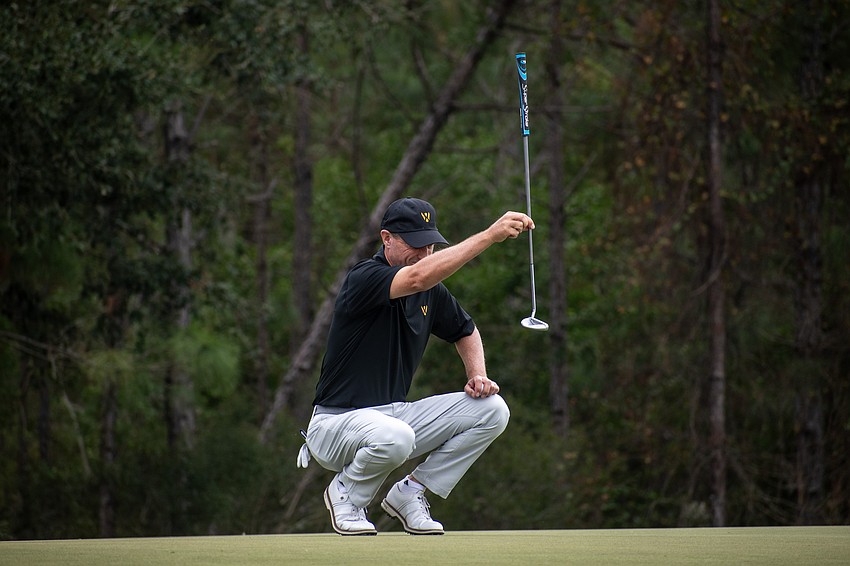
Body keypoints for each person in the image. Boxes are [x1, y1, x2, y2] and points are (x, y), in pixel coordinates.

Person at [296, 196, 535, 535]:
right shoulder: (364, 277)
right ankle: (346, 494)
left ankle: (410, 493)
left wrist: (477, 374)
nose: (425, 255)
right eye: (416, 245)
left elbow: (465, 329)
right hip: (335, 425)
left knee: (493, 410)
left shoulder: (431, 292)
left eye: (431, 246)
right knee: (398, 436)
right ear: (386, 239)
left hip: (394, 417)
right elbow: (417, 278)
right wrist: (488, 236)